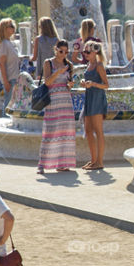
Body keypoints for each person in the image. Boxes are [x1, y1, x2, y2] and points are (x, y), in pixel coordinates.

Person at [37, 40, 76, 174]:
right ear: (55, 49)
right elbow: (47, 82)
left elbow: (69, 84)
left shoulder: (69, 65)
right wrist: (58, 72)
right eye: (61, 51)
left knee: (65, 133)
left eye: (66, 52)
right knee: (50, 131)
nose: (63, 54)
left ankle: (62, 163)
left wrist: (70, 84)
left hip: (65, 100)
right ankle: (42, 164)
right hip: (53, 100)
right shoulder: (48, 62)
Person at [82, 40, 109, 170]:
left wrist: (93, 84)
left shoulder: (99, 65)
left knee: (98, 131)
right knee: (88, 130)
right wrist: (85, 82)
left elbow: (106, 85)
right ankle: (93, 160)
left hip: (97, 99)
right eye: (85, 51)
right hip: (89, 98)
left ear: (95, 52)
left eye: (88, 52)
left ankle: (100, 162)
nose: (85, 54)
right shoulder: (89, 65)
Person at [0, 18, 20, 116]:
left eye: (13, 25)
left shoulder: (10, 43)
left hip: (14, 77)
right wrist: (6, 81)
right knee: (8, 104)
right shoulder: (4, 44)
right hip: (10, 79)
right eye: (10, 26)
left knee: (11, 104)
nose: (13, 27)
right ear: (4, 29)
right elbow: (1, 63)